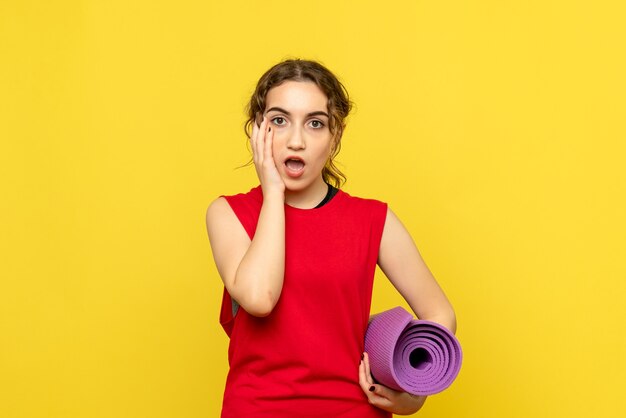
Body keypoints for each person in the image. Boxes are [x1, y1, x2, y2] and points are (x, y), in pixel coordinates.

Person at [205, 59, 457, 417]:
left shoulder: (373, 219)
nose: (296, 140)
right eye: (279, 120)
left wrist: (414, 391)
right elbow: (260, 298)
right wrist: (273, 192)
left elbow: (439, 314)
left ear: (335, 134)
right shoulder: (228, 213)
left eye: (315, 123)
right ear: (258, 130)